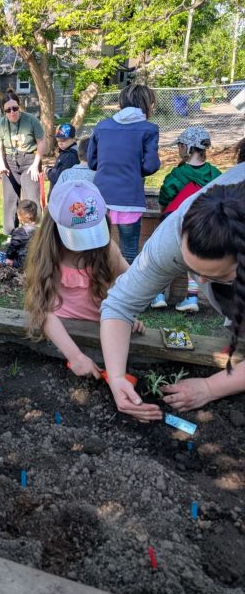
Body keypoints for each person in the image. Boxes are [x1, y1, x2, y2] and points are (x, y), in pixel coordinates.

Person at [100, 166, 245, 421]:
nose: (200, 282)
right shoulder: (173, 235)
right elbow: (119, 304)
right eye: (192, 268)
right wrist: (116, 377)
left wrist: (211, 387)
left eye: (216, 276)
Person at [24, 180, 144, 378]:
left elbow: (129, 279)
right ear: (54, 227)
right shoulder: (47, 255)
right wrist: (76, 357)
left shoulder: (106, 250)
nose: (86, 245)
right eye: (78, 237)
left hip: (103, 328)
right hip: (63, 332)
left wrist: (126, 314)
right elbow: (42, 310)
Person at [150, 126, 221, 313]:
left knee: (163, 257)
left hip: (175, 223)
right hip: (203, 226)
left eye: (180, 145)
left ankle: (158, 295)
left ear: (188, 148)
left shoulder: (178, 174)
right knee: (194, 261)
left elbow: (165, 196)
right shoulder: (214, 173)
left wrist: (162, 212)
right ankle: (191, 298)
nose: (178, 149)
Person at [87, 83, 160, 264]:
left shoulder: (102, 127)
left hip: (100, 198)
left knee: (97, 249)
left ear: (122, 102)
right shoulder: (149, 129)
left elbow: (92, 162)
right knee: (129, 252)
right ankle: (126, 291)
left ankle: (98, 289)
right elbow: (151, 166)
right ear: (146, 104)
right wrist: (134, 169)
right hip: (129, 199)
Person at [0, 91, 46, 235]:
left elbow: (41, 142)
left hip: (29, 161)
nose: (12, 112)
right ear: (3, 110)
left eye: (15, 108)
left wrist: (36, 164)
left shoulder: (31, 120)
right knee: (10, 200)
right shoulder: (0, 125)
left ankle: (35, 233)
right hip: (9, 163)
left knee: (31, 199)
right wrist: (2, 166)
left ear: (19, 106)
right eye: (8, 110)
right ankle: (11, 233)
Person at [0, 199, 38, 270]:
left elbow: (12, 249)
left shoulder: (19, 232)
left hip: (20, 264)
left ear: (19, 217)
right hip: (37, 263)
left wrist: (9, 259)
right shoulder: (41, 230)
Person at [47, 123, 79, 195]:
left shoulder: (70, 156)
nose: (60, 143)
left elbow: (59, 177)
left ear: (73, 139)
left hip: (63, 196)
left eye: (64, 140)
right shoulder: (65, 152)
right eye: (58, 140)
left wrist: (47, 171)